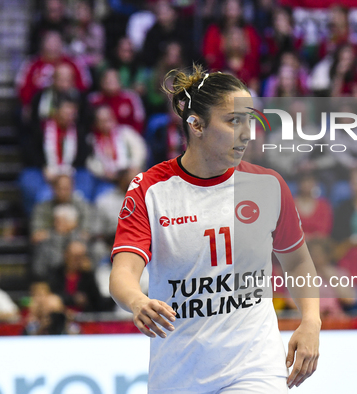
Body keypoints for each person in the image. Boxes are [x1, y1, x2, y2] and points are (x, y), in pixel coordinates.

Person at [109, 65, 320, 392]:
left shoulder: (267, 185)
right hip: (178, 372)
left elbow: (298, 262)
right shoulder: (151, 190)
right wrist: (137, 300)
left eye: (249, 120)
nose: (247, 132)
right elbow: (122, 273)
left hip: (253, 365)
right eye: (233, 121)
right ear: (196, 125)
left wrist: (311, 321)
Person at [88, 69, 146, 134]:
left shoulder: (131, 98)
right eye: (107, 80)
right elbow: (89, 123)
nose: (111, 83)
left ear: (120, 82)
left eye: (114, 80)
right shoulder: (94, 100)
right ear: (101, 82)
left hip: (127, 136)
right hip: (100, 137)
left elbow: (139, 120)